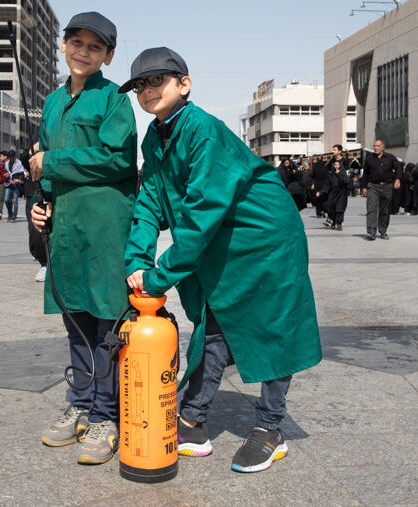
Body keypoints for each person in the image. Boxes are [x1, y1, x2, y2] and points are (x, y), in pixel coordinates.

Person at [120, 47, 322, 474]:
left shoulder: (203, 130)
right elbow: (150, 200)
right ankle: (192, 420)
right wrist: (136, 259)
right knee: (215, 324)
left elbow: (200, 217)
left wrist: (158, 277)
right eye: (140, 85)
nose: (147, 90)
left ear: (184, 84)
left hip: (265, 237)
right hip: (222, 239)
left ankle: (270, 427)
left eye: (157, 80)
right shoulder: (155, 137)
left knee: (274, 327)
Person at [29, 11, 137, 465]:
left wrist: (51, 163)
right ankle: (81, 402)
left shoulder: (114, 100)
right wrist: (42, 201)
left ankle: (106, 415)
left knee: (106, 321)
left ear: (108, 56)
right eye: (76, 43)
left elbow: (117, 160)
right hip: (66, 226)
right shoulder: (53, 101)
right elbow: (39, 160)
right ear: (63, 45)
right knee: (73, 316)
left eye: (95, 47)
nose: (83, 52)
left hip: (105, 225)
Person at [360, 139, 401, 240]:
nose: (375, 148)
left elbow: (399, 168)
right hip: (373, 187)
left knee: (385, 210)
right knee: (371, 209)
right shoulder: (369, 159)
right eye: (374, 146)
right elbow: (365, 174)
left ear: (383, 147)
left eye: (378, 146)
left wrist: (398, 180)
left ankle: (383, 231)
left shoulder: (390, 158)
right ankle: (371, 232)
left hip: (387, 187)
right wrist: (364, 187)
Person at [322, 157, 352, 230]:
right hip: (333, 193)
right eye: (335, 164)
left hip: (341, 194)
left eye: (338, 164)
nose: (336, 166)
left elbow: (345, 181)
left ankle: (339, 224)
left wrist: (339, 174)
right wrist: (321, 191)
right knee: (330, 208)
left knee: (339, 209)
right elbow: (327, 184)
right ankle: (334, 221)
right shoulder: (331, 174)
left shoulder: (343, 173)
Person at [3, 149, 26, 222]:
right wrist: (5, 175)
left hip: (16, 184)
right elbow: (5, 172)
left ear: (15, 156)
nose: (12, 159)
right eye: (10, 158)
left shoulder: (19, 163)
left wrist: (17, 180)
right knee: (6, 200)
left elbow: (22, 174)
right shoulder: (6, 163)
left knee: (15, 201)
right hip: (8, 184)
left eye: (13, 158)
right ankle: (10, 212)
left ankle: (14, 216)